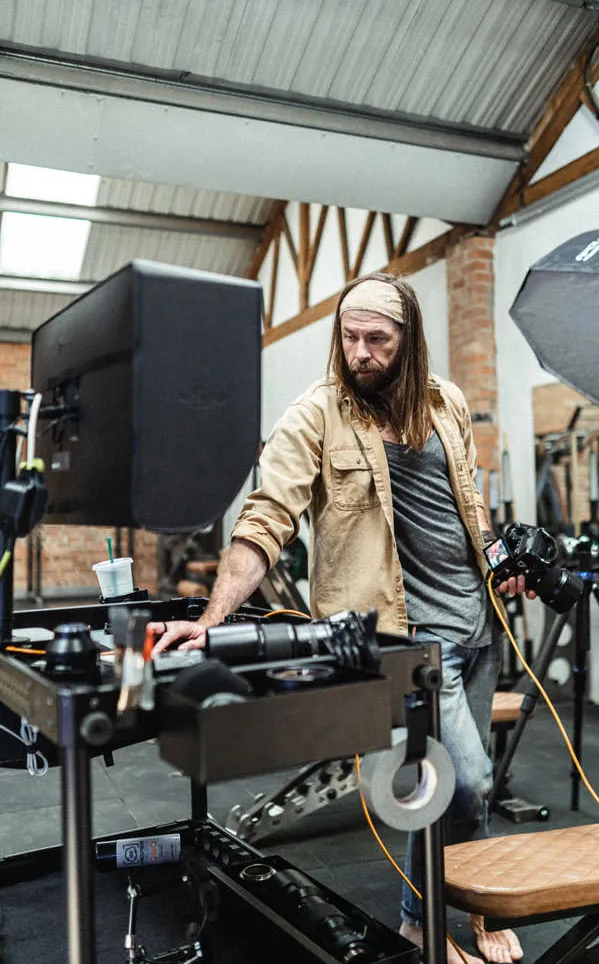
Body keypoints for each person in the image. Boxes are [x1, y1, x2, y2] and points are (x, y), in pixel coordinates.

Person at [152, 272, 534, 964]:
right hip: (403, 640)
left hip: (477, 625)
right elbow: (266, 518)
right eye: (348, 337)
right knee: (462, 781)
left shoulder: (445, 401)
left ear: (407, 341)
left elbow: (467, 508)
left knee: (464, 789)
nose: (358, 352)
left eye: (376, 340)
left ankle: (470, 910)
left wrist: (500, 562)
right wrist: (212, 618)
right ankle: (423, 920)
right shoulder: (314, 414)